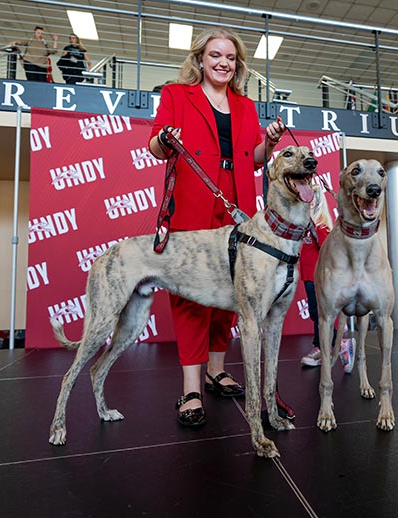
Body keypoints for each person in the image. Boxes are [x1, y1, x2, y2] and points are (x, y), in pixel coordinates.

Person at [147, 27, 288, 427]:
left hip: (237, 201)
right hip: (193, 197)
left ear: (237, 64)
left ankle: (216, 369)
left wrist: (271, 142)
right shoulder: (177, 94)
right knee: (191, 294)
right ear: (200, 59)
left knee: (234, 290)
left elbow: (254, 158)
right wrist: (166, 137)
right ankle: (191, 388)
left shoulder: (245, 105)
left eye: (230, 58)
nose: (223, 63)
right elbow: (155, 145)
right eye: (215, 56)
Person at [299, 187, 355, 373]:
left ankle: (338, 345)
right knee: (316, 315)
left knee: (321, 315)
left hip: (320, 278)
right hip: (308, 277)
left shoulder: (320, 227)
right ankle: (324, 349)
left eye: (310, 200)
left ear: (316, 202)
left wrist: (313, 230)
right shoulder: (304, 227)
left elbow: (328, 249)